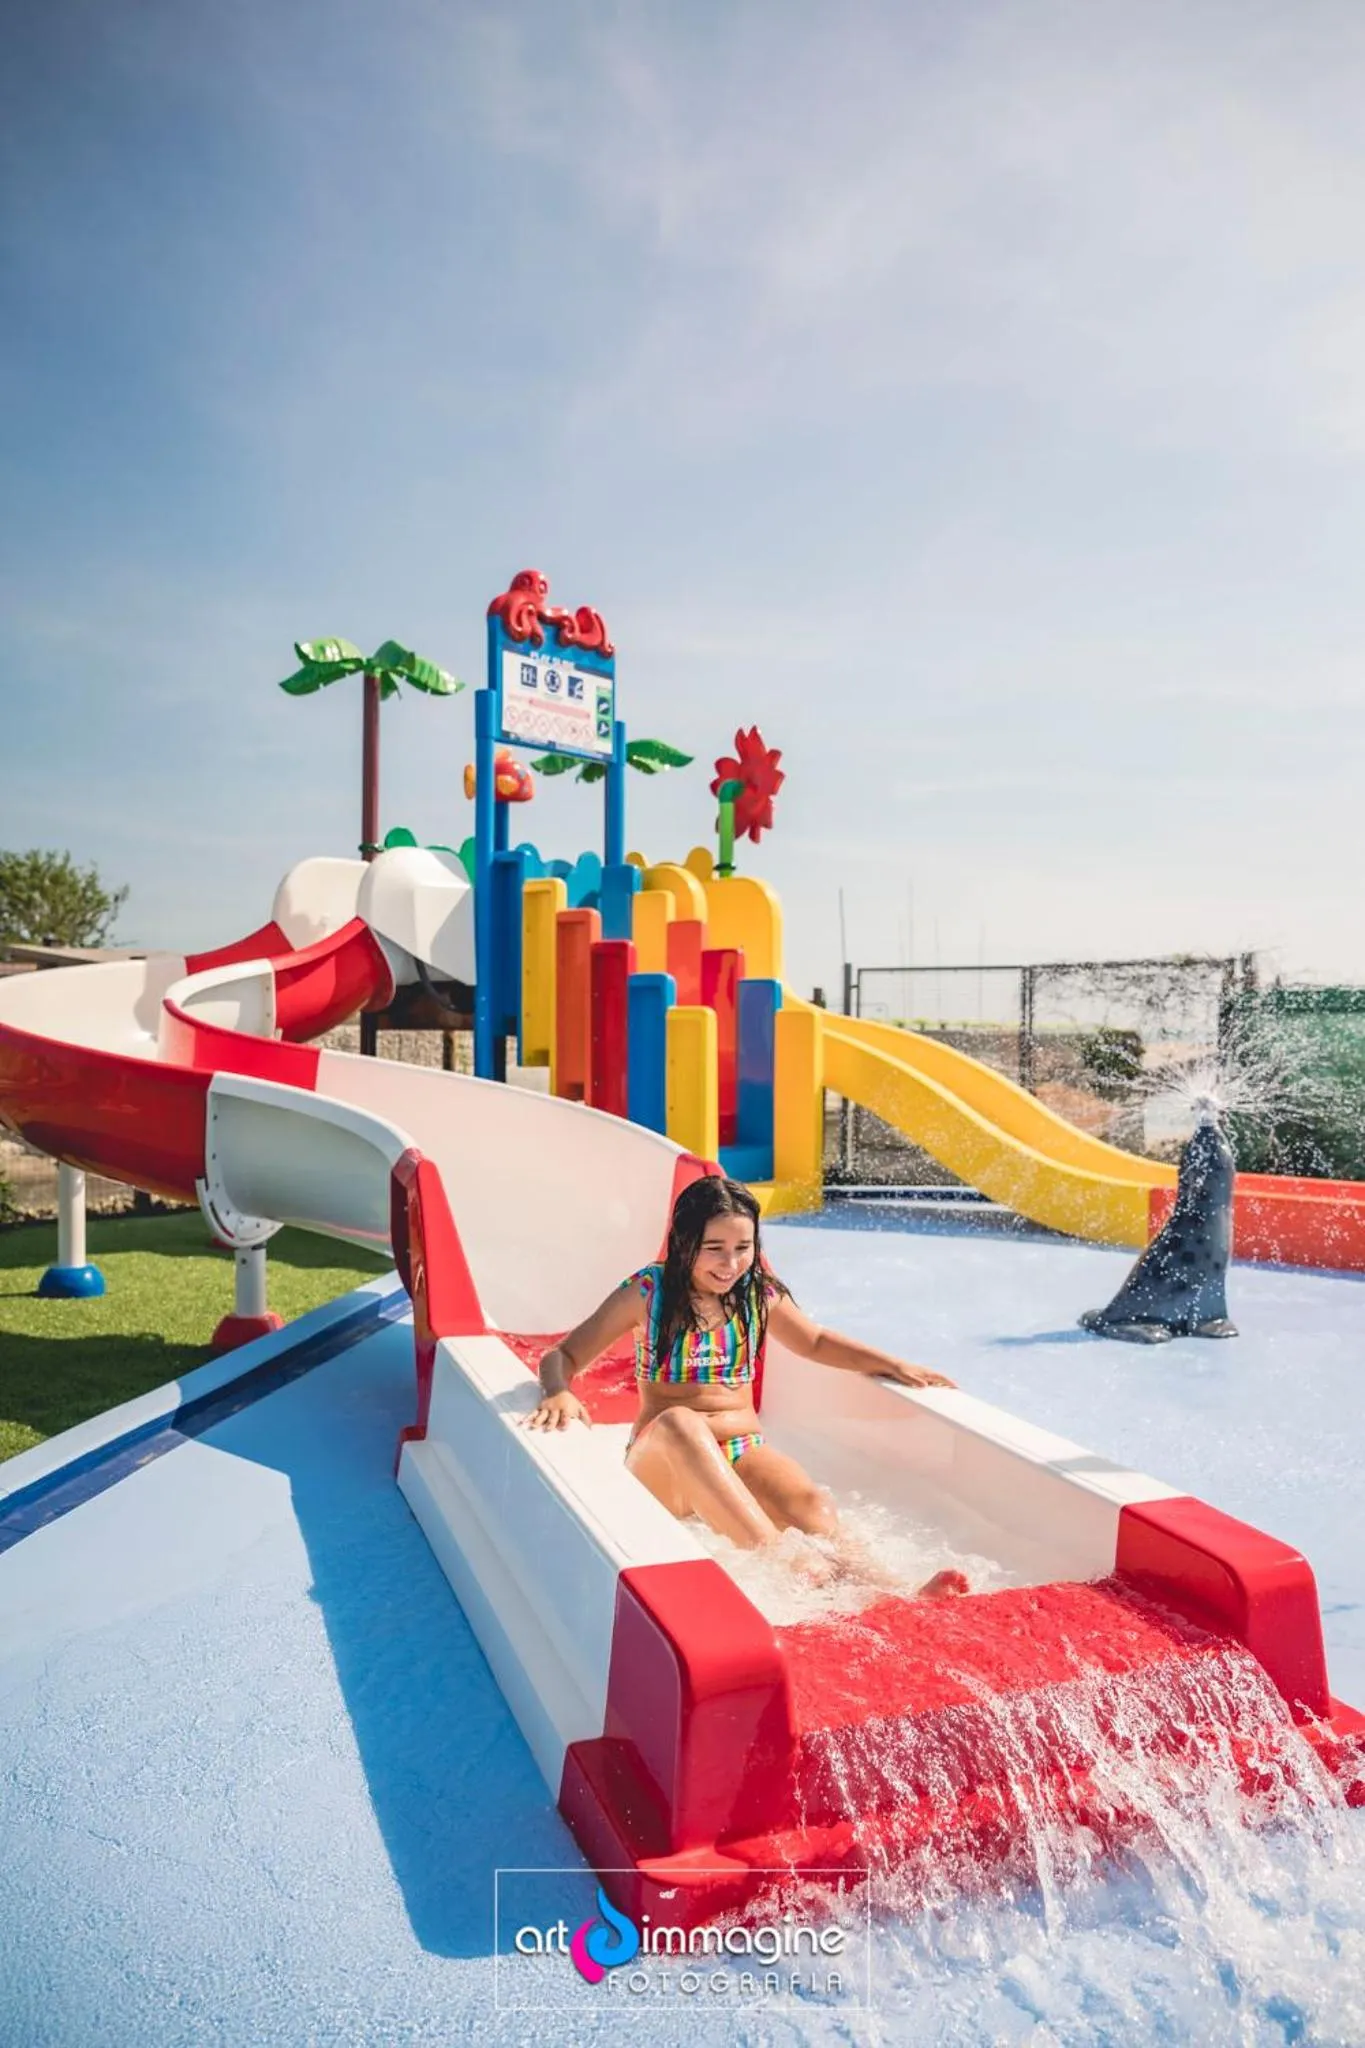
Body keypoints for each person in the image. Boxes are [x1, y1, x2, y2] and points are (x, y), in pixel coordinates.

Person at [524, 1175, 968, 1596]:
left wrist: (892, 1363)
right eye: (714, 1248)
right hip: (667, 1463)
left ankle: (895, 1590)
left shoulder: (758, 1294)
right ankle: (785, 1562)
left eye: (743, 1247)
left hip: (740, 1450)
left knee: (811, 1507)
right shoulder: (648, 1292)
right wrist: (558, 1389)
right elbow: (563, 1355)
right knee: (681, 1422)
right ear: (684, 1243)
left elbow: (814, 1341)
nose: (731, 1263)